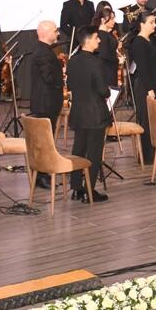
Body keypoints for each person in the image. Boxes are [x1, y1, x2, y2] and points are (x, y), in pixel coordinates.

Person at [66, 27, 110, 203]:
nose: (99, 41)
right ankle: (89, 191)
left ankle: (76, 188)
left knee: (78, 149)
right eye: (97, 38)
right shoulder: (95, 63)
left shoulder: (72, 61)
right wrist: (107, 91)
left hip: (78, 112)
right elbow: (102, 90)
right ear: (89, 40)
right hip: (95, 115)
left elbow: (70, 85)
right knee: (94, 153)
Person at [29, 20, 65, 189]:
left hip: (46, 101)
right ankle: (42, 176)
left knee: (45, 140)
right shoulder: (43, 53)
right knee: (44, 141)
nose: (58, 33)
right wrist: (62, 73)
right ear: (44, 33)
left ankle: (41, 174)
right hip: (46, 102)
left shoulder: (43, 51)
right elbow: (49, 78)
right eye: (55, 31)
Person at [128, 11, 156, 164]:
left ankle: (154, 153)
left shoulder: (149, 40)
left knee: (153, 121)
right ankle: (147, 156)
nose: (154, 25)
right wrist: (150, 89)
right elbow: (142, 68)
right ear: (142, 24)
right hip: (144, 86)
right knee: (146, 121)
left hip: (151, 84)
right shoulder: (138, 42)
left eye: (154, 22)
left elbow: (150, 63)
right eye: (151, 22)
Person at [93, 6, 122, 88]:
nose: (114, 21)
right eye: (111, 19)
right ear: (103, 20)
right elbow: (103, 54)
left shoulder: (106, 34)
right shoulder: (102, 34)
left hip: (111, 69)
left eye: (114, 18)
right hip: (106, 70)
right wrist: (118, 59)